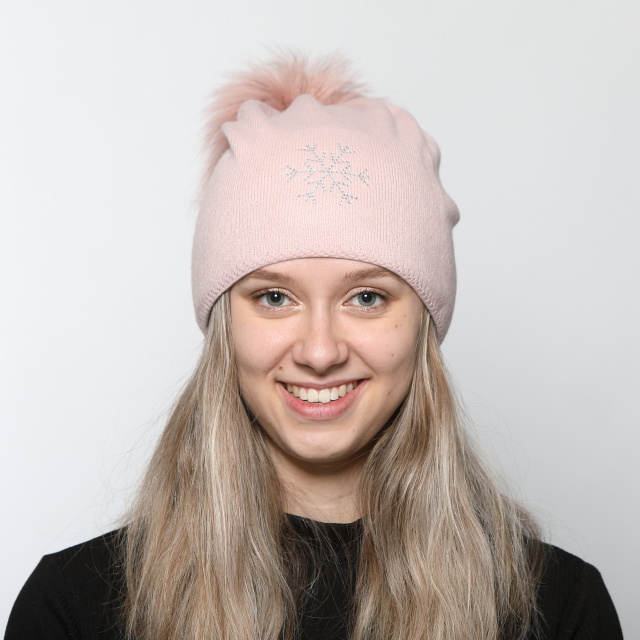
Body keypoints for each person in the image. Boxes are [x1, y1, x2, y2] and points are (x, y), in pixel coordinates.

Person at [5, 52, 623, 640]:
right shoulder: (74, 607)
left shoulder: (558, 607)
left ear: (423, 324)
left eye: (367, 297)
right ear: (224, 325)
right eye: (274, 297)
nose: (320, 352)